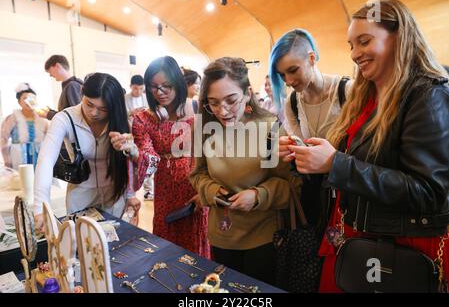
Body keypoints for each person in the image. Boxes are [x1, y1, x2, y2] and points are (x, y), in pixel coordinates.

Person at [283, 0, 449, 292]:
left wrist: (336, 163)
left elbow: (429, 191)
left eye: (364, 41)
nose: (355, 54)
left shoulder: (427, 95)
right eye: (351, 45)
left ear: (398, 36)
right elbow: (357, 167)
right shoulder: (368, 95)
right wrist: (307, 158)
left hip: (398, 248)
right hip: (358, 237)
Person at [189, 57, 299, 285]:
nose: (223, 111)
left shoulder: (270, 128)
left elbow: (289, 185)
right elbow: (198, 174)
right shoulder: (205, 129)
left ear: (248, 93)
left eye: (231, 100)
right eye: (214, 103)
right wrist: (212, 192)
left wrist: (258, 196)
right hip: (221, 235)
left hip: (263, 238)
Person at [110, 56, 210, 258]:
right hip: (166, 191)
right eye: (154, 87)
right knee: (168, 248)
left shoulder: (199, 109)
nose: (160, 92)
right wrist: (134, 151)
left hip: (198, 187)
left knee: (199, 248)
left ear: (178, 84)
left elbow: (213, 152)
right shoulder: (143, 119)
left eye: (166, 86)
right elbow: (151, 160)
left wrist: (208, 190)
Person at [34, 73, 140, 229]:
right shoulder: (64, 119)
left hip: (115, 193)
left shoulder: (118, 119)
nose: (94, 113)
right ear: (82, 93)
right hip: (80, 194)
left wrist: (131, 194)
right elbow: (45, 160)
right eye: (89, 104)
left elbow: (131, 161)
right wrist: (40, 208)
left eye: (103, 109)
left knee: (116, 244)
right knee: (84, 246)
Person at [273, 28, 353, 232]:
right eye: (282, 75)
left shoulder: (348, 91)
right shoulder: (292, 102)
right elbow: (304, 155)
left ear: (311, 58)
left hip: (349, 196)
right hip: (318, 197)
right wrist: (290, 149)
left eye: (293, 70)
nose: (289, 81)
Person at [1, 83, 48, 169]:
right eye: (25, 98)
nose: (29, 100)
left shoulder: (42, 119)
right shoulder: (12, 118)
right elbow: (3, 139)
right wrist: (7, 161)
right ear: (19, 102)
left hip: (39, 156)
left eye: (32, 98)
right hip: (18, 157)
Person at [41, 55, 83, 120]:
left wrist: (49, 115)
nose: (50, 75)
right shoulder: (70, 85)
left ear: (57, 66)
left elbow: (77, 117)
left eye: (50, 71)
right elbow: (68, 112)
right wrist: (51, 112)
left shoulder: (72, 86)